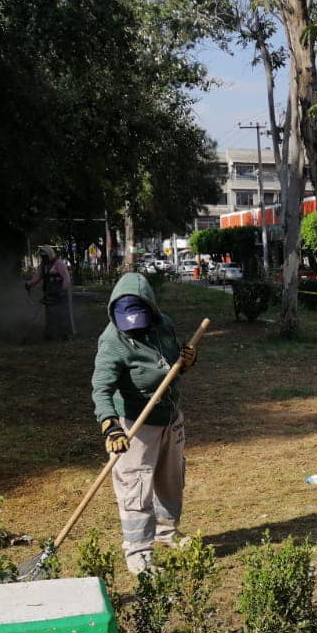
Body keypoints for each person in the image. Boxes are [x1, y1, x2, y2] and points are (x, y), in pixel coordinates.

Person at [91, 272, 196, 576]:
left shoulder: (162, 323)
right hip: (137, 424)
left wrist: (187, 360)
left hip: (170, 417)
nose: (134, 327)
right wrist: (110, 425)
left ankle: (167, 533)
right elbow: (101, 389)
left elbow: (172, 363)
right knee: (135, 488)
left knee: (170, 480)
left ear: (151, 308)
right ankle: (138, 552)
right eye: (128, 320)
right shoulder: (112, 341)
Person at [26, 245, 73, 341]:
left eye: (45, 256)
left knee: (62, 314)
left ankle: (65, 335)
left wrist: (63, 291)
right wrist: (29, 284)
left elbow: (66, 279)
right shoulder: (43, 265)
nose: (44, 258)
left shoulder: (59, 264)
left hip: (60, 293)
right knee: (50, 315)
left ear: (49, 254)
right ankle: (51, 335)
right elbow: (38, 277)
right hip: (49, 293)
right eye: (42, 257)